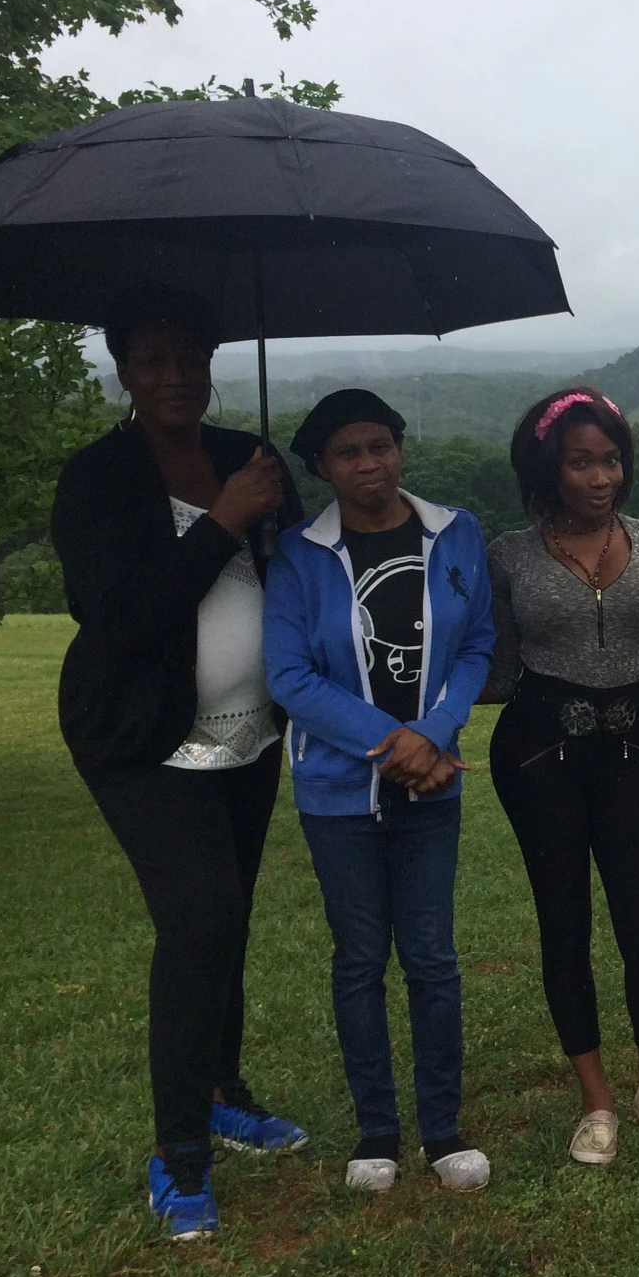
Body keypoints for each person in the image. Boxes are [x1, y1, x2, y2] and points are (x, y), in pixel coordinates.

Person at [50, 283, 307, 1241]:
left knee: (228, 917)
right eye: (152, 359)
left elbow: (301, 574)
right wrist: (227, 520)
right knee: (197, 917)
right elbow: (120, 616)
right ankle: (179, 1154)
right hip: (141, 738)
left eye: (189, 358)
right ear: (123, 370)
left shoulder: (249, 455)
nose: (174, 376)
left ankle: (222, 1088)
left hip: (251, 733)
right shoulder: (98, 478)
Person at [263, 390, 496, 1195]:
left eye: (380, 445)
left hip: (434, 784)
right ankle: (376, 1133)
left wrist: (432, 731)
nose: (369, 464)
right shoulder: (299, 552)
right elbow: (289, 676)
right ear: (322, 468)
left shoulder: (455, 533)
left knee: (432, 959)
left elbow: (479, 646)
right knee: (360, 960)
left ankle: (443, 1130)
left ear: (401, 446)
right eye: (348, 453)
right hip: (337, 792)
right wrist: (391, 740)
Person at [483, 388, 639, 1166]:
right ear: (549, 466)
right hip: (539, 753)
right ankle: (597, 1103)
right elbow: (495, 668)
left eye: (610, 459)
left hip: (633, 755)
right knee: (564, 923)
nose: (600, 475)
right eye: (580, 461)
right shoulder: (508, 554)